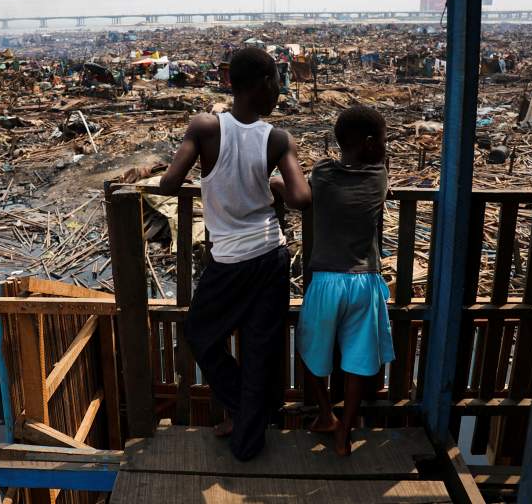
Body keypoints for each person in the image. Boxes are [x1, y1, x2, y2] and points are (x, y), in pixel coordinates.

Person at [160, 47, 311, 461]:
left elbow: (172, 183)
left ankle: (242, 411)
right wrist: (275, 185)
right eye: (278, 81)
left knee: (200, 334)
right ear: (264, 84)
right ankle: (249, 434)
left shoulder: (206, 127)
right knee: (261, 348)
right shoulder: (277, 138)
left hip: (228, 259)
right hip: (269, 254)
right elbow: (300, 196)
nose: (280, 90)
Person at [297, 105, 395, 457]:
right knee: (357, 361)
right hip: (364, 282)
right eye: (384, 140)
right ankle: (345, 433)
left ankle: (326, 414)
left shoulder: (323, 173)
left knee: (311, 351)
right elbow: (382, 164)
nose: (386, 146)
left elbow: (307, 190)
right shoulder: (378, 178)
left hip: (325, 281)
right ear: (371, 144)